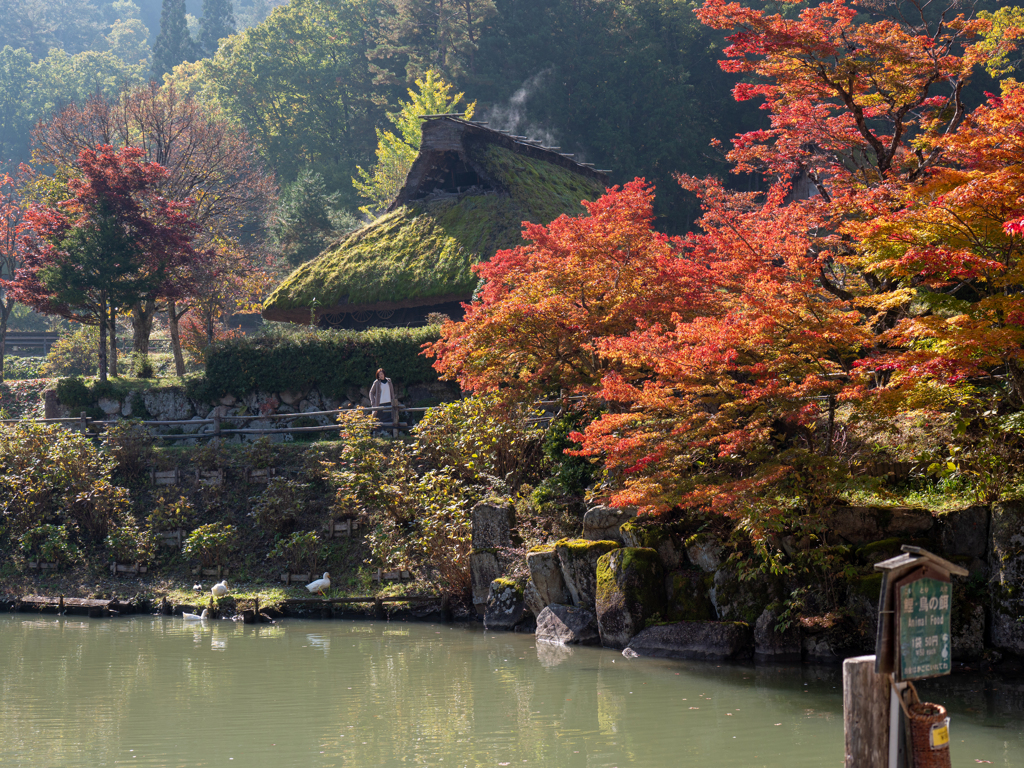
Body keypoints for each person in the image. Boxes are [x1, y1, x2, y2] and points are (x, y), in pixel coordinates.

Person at [368, 368, 399, 434]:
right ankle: (376, 433)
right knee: (379, 419)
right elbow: (371, 392)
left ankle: (389, 433)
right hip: (380, 403)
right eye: (379, 375)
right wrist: (373, 402)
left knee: (390, 418)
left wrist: (393, 400)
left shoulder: (389, 381)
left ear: (384, 374)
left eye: (382, 374)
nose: (381, 376)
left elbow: (392, 392)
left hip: (389, 402)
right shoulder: (376, 382)